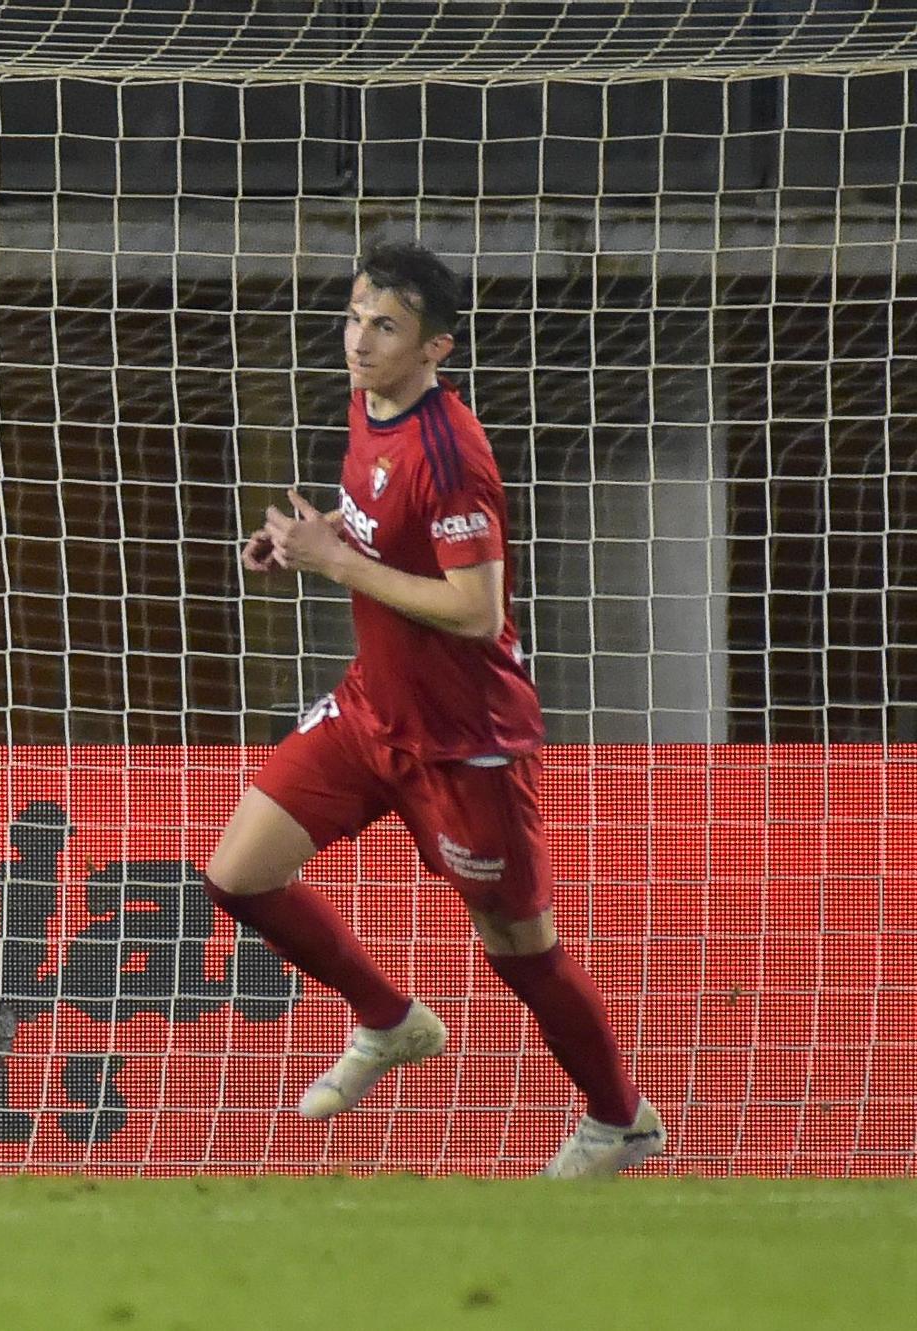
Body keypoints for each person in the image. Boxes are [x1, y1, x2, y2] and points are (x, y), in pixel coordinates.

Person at [207, 243, 665, 1177]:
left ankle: (621, 1120)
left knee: (518, 948)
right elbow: (382, 528)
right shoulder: (370, 406)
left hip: (467, 745)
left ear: (436, 349)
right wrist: (309, 540)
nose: (360, 341)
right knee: (237, 873)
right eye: (355, 317)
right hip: (374, 707)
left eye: (386, 327)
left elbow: (474, 609)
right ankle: (390, 1018)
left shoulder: (453, 455)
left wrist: (336, 563)